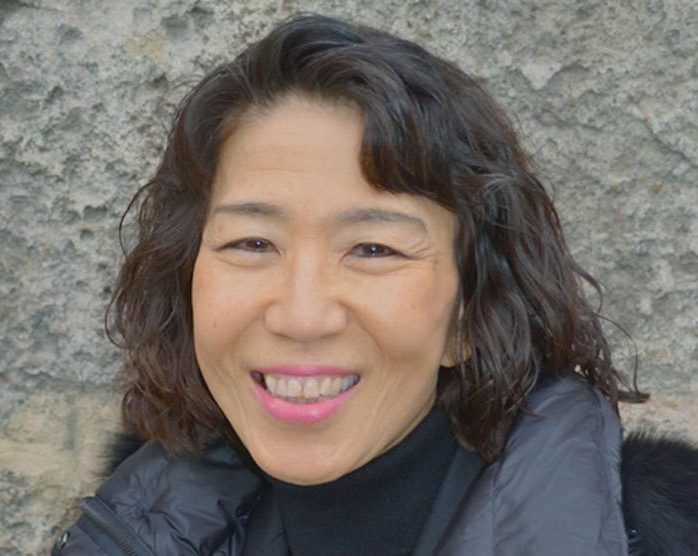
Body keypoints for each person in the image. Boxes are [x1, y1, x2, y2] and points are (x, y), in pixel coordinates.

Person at [52, 13, 698, 556]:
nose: (302, 315)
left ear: (469, 315)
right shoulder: (132, 525)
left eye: (372, 248)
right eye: (252, 243)